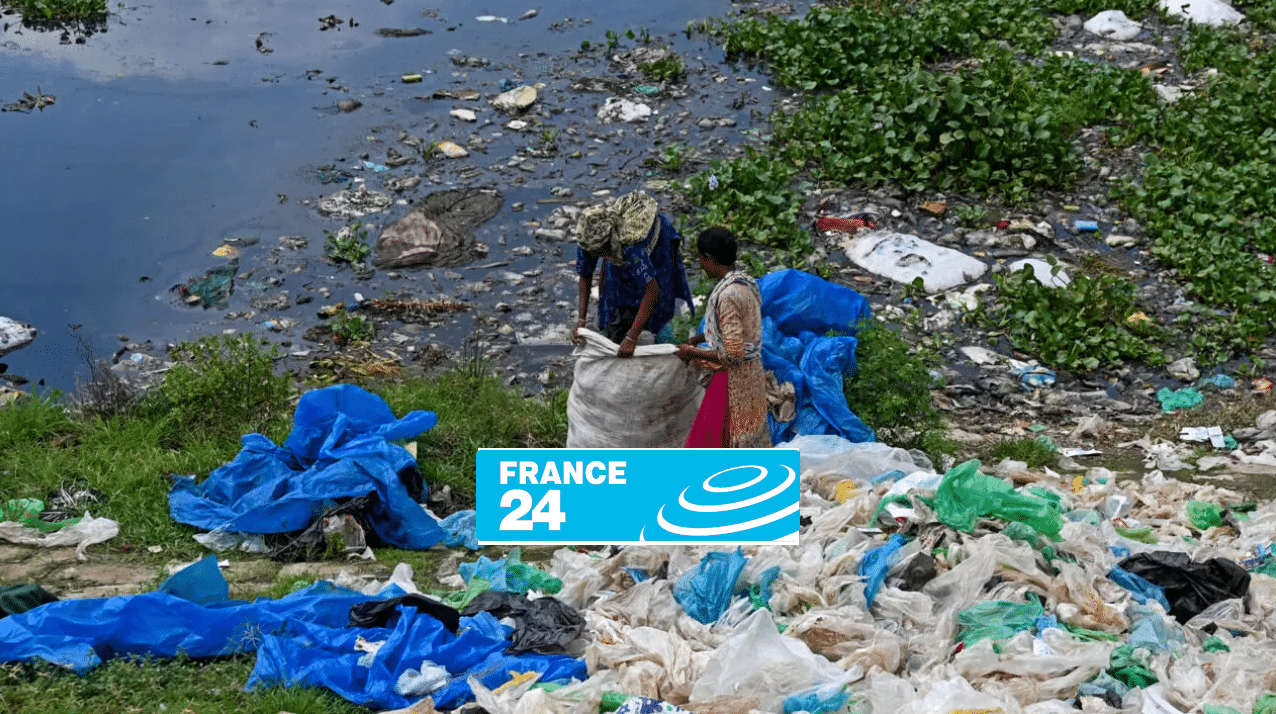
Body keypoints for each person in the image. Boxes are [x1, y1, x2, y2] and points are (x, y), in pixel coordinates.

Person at [676, 227, 771, 448]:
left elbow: (733, 354)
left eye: (700, 258)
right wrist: (700, 338)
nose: (700, 264)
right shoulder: (745, 283)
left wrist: (691, 352)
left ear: (709, 258)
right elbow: (738, 328)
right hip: (752, 374)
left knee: (709, 445)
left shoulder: (727, 296)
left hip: (732, 382)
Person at [571, 192, 693, 358]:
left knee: (658, 307)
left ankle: (663, 341)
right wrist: (581, 320)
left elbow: (652, 290)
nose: (593, 257)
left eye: (598, 254)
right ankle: (620, 330)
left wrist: (632, 337)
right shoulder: (587, 240)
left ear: (607, 246)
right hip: (618, 252)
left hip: (656, 250)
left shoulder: (630, 246)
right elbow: (585, 274)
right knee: (613, 299)